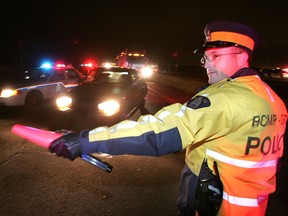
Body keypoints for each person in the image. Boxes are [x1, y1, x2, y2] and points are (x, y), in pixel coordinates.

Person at [49, 20, 287, 216]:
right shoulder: (271, 98)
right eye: (206, 57)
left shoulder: (227, 98)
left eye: (215, 55)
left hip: (216, 209)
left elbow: (158, 132)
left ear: (242, 57)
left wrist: (84, 140)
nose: (207, 64)